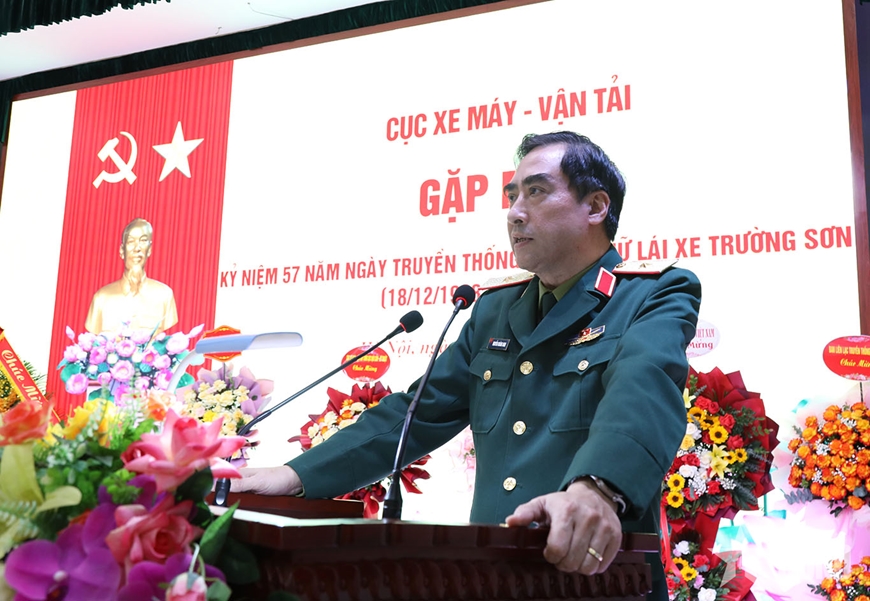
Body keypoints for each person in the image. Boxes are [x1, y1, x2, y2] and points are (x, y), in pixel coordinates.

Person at [233, 132, 701, 599]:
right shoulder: (495, 308)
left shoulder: (652, 294)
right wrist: (295, 475)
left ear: (595, 207)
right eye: (512, 196)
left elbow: (642, 391)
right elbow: (416, 412)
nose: (515, 212)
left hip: (599, 581)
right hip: (493, 579)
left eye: (537, 191)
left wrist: (597, 488)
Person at [85, 217, 178, 334]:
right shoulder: (101, 298)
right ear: (121, 251)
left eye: (143, 241)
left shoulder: (164, 295)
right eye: (130, 242)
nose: (137, 248)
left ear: (149, 250)